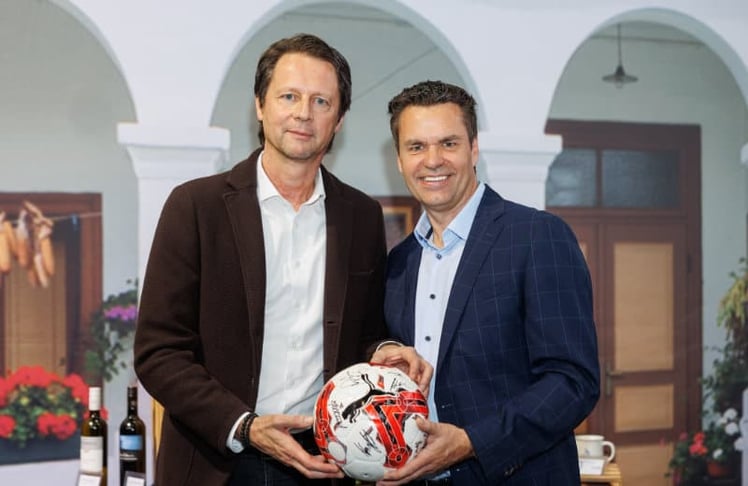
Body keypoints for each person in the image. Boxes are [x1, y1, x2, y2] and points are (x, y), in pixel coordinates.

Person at [134, 34, 430, 486]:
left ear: (339, 119)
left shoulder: (361, 215)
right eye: (289, 96)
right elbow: (158, 351)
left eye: (321, 101)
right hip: (216, 460)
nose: (303, 113)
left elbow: (363, 334)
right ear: (260, 105)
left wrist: (384, 352)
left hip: (322, 463)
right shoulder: (195, 206)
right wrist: (245, 427)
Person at [379, 80, 600, 485]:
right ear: (399, 159)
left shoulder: (537, 236)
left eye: (448, 143)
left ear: (474, 148)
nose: (433, 160)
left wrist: (472, 442)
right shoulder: (399, 263)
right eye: (416, 147)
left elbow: (573, 382)